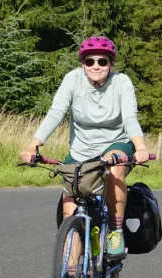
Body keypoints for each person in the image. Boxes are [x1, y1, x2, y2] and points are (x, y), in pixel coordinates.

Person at [20, 36, 150, 263]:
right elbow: (56, 112)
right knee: (71, 202)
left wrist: (139, 147)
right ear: (83, 64)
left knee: (115, 164)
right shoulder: (72, 80)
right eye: (90, 61)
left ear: (111, 64)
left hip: (116, 143)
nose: (96, 66)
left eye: (102, 61)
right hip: (81, 150)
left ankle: (116, 232)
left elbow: (130, 118)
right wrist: (35, 143)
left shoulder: (122, 83)